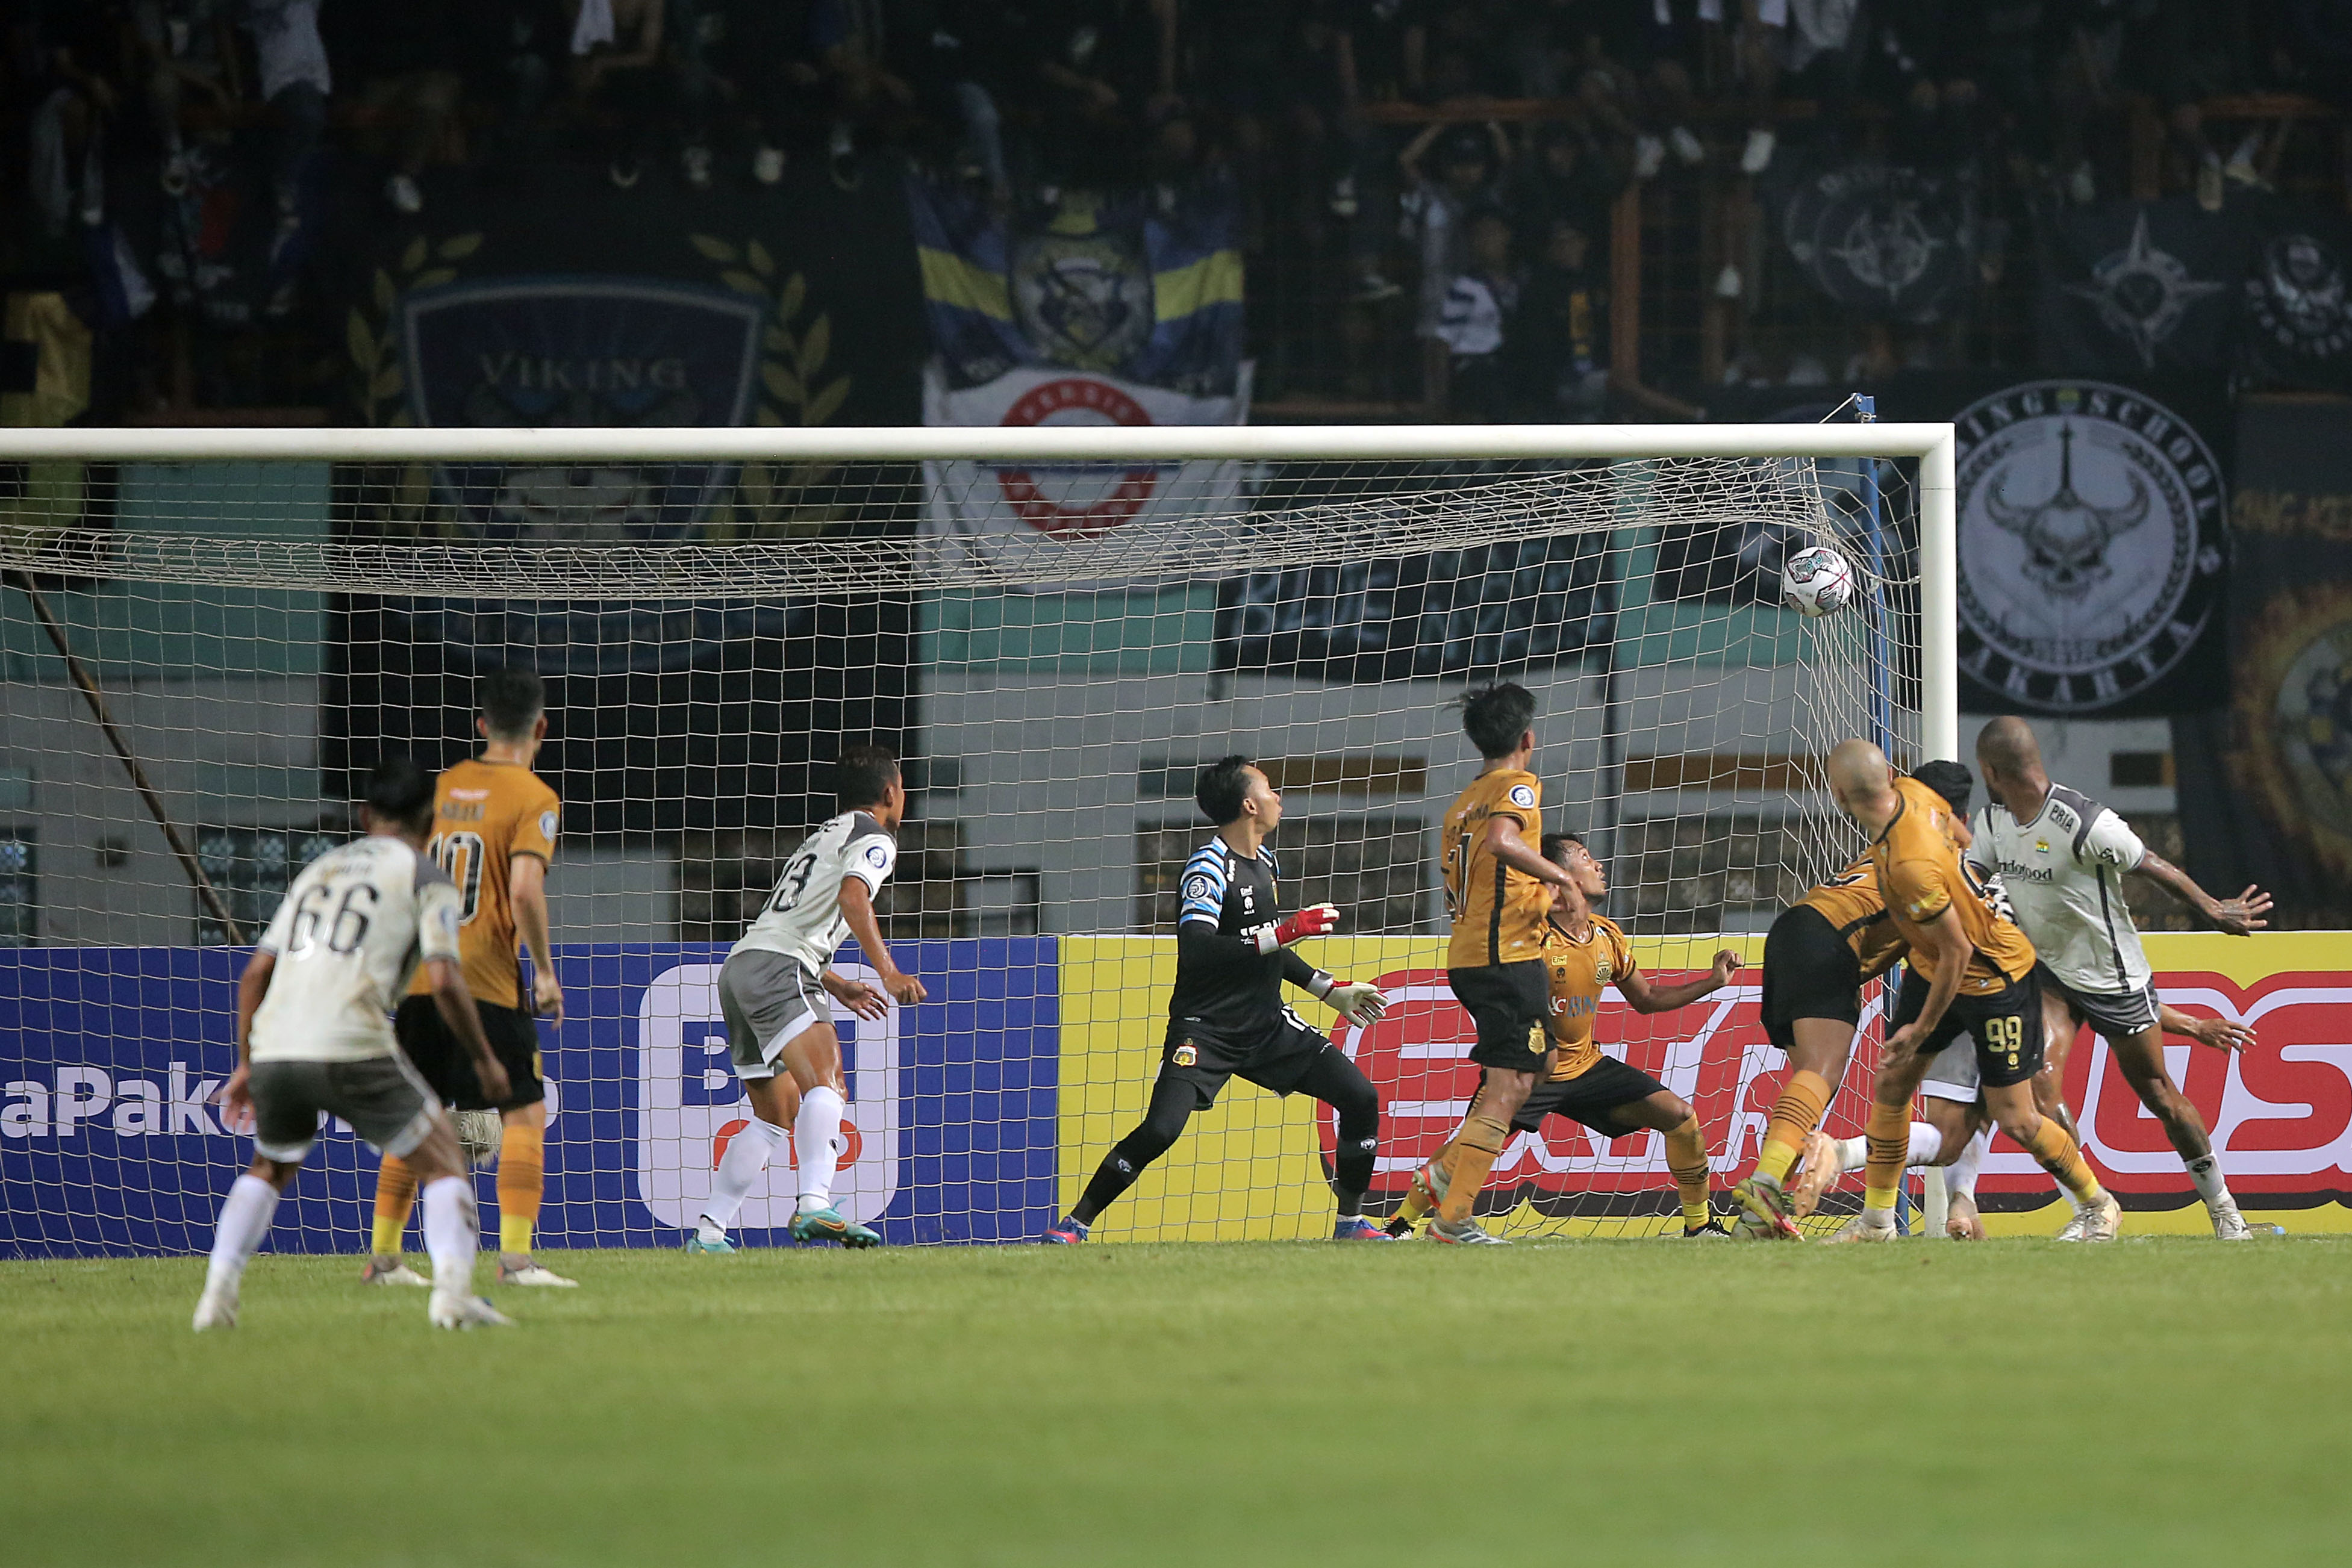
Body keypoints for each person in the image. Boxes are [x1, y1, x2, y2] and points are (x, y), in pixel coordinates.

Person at [194, 758, 513, 1332]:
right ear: (432, 818)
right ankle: (453, 1299)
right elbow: (442, 977)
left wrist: (246, 1062)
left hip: (277, 1044)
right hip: (352, 1039)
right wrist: (485, 1058)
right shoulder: (427, 877)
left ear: (365, 815)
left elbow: (254, 975)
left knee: (269, 1166)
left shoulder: (318, 871)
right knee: (444, 1158)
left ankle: (216, 1296)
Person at [1044, 757, 1390, 1242]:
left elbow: (1264, 949)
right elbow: (1200, 949)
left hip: (1268, 1026)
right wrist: (1285, 931)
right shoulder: (1206, 868)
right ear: (1249, 805)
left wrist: (1329, 990)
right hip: (1206, 1029)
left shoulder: (1266, 861)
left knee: (1360, 1097)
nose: (1278, 798)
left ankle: (1351, 1224)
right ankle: (1074, 1225)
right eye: (1270, 790)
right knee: (1161, 1130)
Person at [1970, 716, 2271, 1240]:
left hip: (2113, 978)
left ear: (1990, 770)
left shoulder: (2084, 822)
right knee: (2040, 1087)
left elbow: (2152, 863)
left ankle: (2225, 1213)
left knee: (2158, 1095)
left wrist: (2213, 910)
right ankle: (2092, 1206)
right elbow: (1972, 875)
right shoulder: (1993, 822)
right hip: (2049, 975)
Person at [1822, 738, 2119, 1244]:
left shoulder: (1909, 866)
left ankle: (2098, 1205)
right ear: (1891, 779)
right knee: (1892, 1086)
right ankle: (1876, 1223)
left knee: (2017, 1117)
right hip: (1931, 962)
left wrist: (1920, 1028)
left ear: (1838, 795)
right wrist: (1959, 871)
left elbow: (1958, 952)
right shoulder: (1915, 795)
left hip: (1990, 977)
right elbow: (1962, 834)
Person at [1387, 833, 1742, 1240]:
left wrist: (1712, 981)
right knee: (1463, 1154)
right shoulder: (1530, 938)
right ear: (1556, 877)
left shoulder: (1607, 935)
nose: (1599, 866)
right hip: (1530, 1069)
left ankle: (1698, 1226)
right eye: (1586, 859)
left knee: (1679, 1117)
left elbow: (1646, 999)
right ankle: (1398, 1226)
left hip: (1586, 1067)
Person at [365, 667, 573, 1290]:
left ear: (481, 724)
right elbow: (525, 889)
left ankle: (383, 1261)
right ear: (541, 727)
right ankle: (515, 1261)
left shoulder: (443, 787)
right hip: (483, 977)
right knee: (524, 1117)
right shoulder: (534, 797)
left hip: (423, 976)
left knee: (415, 1117)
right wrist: (543, 970)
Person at [688, 744, 925, 1251]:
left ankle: (709, 1232)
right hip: (780, 968)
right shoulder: (875, 837)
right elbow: (852, 897)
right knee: (829, 1083)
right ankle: (814, 1203)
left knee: (774, 1115)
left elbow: (796, 919)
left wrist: (837, 984)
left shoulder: (825, 835)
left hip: (742, 967)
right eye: (902, 787)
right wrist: (887, 971)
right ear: (890, 793)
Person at [1729, 759, 1976, 1239]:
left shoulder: (1895, 837)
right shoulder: (1940, 859)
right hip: (1828, 942)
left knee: (1816, 1087)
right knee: (1825, 1073)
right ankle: (1764, 1184)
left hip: (1793, 928)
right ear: (1961, 817)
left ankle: (1756, 1219)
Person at [1416, 682, 1582, 1245]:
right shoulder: (1517, 786)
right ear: (1527, 739)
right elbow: (1502, 842)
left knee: (1540, 1065)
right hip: (1505, 956)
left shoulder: (1462, 802)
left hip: (1472, 953)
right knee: (1513, 1082)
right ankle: (1453, 1215)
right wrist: (1560, 877)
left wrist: (1535, 897)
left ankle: (1444, 1173)